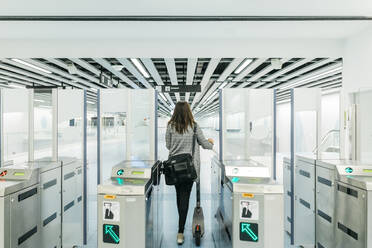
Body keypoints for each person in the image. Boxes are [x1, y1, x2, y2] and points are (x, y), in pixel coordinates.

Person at [166, 101, 214, 245]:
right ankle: (180, 231)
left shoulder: (170, 126)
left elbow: (168, 145)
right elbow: (206, 145)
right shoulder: (194, 126)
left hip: (174, 169)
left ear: (175, 111)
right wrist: (211, 141)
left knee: (179, 196)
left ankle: (180, 230)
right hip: (189, 169)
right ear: (189, 111)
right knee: (185, 198)